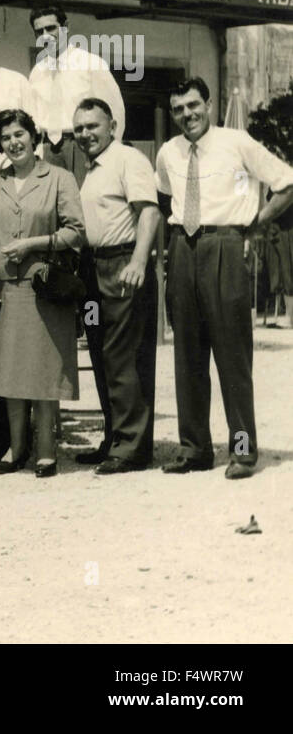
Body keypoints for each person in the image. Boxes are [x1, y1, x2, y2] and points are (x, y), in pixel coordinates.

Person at [154, 77, 293, 478]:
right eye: (179, 109)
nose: (187, 115)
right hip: (182, 246)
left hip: (226, 245)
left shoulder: (237, 142)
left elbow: (285, 183)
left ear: (209, 104)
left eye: (194, 106)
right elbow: (166, 196)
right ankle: (194, 448)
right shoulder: (168, 152)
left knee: (232, 355)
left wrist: (255, 224)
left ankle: (244, 451)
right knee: (187, 355)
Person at [0, 108, 85, 479]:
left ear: (33, 137)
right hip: (2, 289)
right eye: (5, 138)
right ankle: (17, 447)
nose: (13, 143)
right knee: (8, 372)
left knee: (43, 370)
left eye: (19, 134)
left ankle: (47, 450)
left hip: (42, 288)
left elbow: (75, 232)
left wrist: (32, 244)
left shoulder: (59, 178)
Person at [73, 99, 160, 473]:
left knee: (124, 358)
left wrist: (139, 261)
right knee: (101, 355)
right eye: (79, 128)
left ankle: (132, 447)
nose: (85, 134)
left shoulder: (128, 160)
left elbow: (150, 211)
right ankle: (114, 438)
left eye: (93, 126)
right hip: (93, 270)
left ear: (113, 125)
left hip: (123, 265)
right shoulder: (91, 169)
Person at [28, 5, 126, 180]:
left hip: (83, 145)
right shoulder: (37, 71)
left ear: (66, 27)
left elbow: (115, 112)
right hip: (48, 148)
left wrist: (110, 157)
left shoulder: (90, 63)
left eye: (51, 28)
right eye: (39, 31)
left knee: (85, 203)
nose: (45, 36)